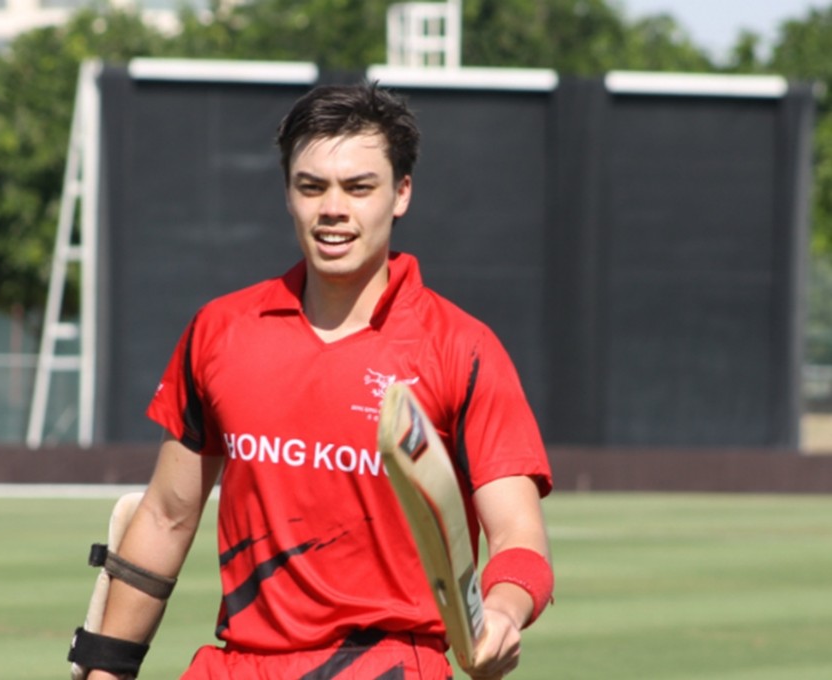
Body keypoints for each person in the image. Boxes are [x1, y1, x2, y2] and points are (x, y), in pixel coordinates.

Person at [70, 81, 553, 680]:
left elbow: (519, 537)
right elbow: (167, 515)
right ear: (289, 194)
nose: (333, 209)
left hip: (387, 666)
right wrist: (105, 666)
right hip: (236, 666)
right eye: (312, 186)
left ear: (401, 194)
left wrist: (502, 612)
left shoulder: (463, 349)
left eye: (359, 187)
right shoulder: (220, 331)